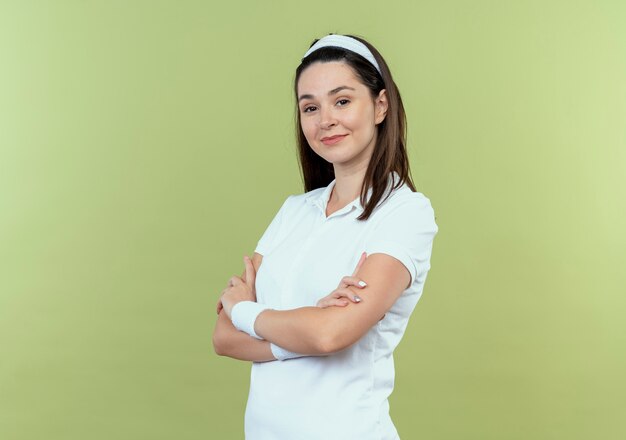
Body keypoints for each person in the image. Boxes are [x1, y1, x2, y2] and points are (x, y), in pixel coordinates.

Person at [213, 33, 439, 440]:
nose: (325, 120)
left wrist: (249, 313)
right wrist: (306, 328)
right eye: (310, 107)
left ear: (380, 105)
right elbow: (224, 337)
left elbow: (331, 334)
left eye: (342, 101)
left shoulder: (405, 213)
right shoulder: (294, 211)